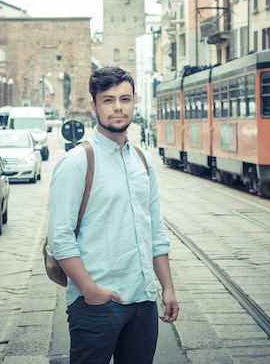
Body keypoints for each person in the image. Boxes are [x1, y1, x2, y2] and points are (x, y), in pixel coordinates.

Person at [46, 66, 179, 364]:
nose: (118, 107)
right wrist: (91, 292)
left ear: (134, 102)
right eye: (108, 100)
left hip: (144, 302)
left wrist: (167, 288)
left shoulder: (144, 161)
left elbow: (156, 232)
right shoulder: (76, 162)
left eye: (125, 99)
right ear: (93, 105)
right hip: (97, 304)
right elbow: (60, 239)